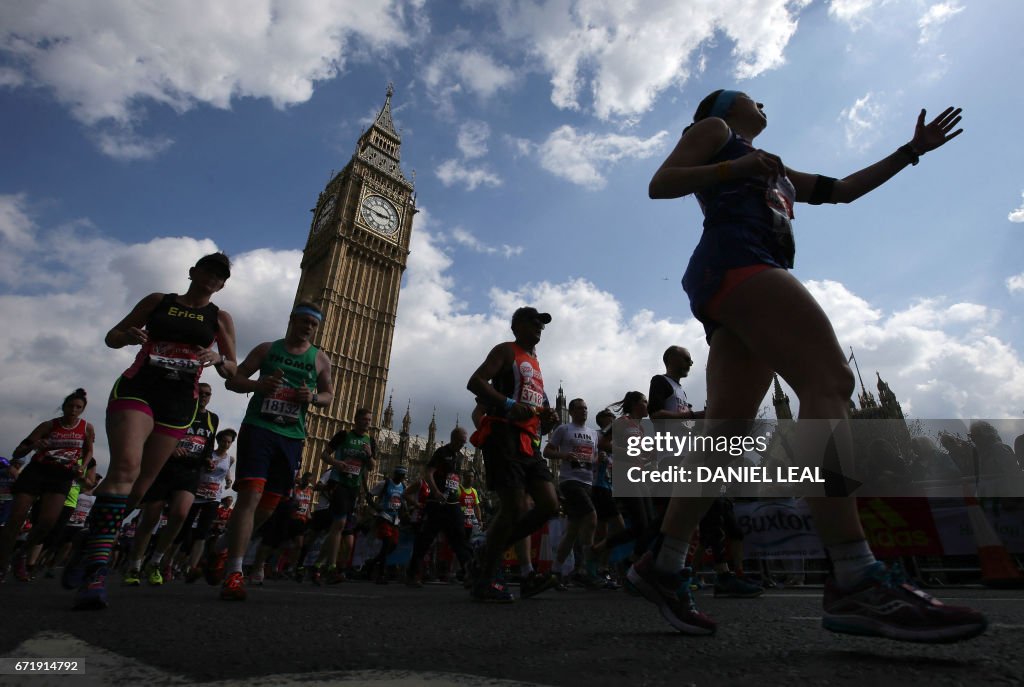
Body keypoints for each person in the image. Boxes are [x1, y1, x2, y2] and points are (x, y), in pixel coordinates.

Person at [628, 88, 984, 641]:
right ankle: (856, 576)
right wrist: (736, 165)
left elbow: (839, 191)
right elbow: (661, 184)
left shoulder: (777, 167)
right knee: (830, 381)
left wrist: (909, 152)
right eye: (751, 94)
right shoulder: (717, 133)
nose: (765, 99)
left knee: (726, 435)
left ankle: (664, 563)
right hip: (739, 262)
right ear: (724, 106)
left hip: (736, 276)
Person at [65, 253, 237, 609]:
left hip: (179, 402)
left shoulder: (219, 318)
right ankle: (97, 570)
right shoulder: (159, 302)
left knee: (140, 488)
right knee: (126, 468)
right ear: (193, 272)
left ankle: (90, 537)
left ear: (223, 284)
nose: (212, 278)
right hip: (138, 388)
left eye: (220, 276)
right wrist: (126, 336)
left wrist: (218, 359)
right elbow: (112, 337)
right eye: (207, 270)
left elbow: (231, 370)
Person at [212, 302, 333, 601]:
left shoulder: (320, 359)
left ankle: (224, 545)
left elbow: (329, 395)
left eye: (313, 324)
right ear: (292, 321)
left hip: (292, 436)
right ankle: (235, 571)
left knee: (267, 507)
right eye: (304, 321)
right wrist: (258, 384)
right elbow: (233, 381)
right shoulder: (267, 349)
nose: (308, 327)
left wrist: (314, 397)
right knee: (251, 495)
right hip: (259, 429)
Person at [467, 306, 561, 602]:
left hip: (529, 441)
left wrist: (546, 417)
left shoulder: (535, 362)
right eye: (534, 322)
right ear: (517, 325)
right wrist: (507, 404)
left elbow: (531, 403)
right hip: (504, 436)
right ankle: (488, 578)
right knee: (514, 508)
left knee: (549, 505)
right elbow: (476, 382)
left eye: (542, 324)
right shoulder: (506, 351)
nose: (539, 327)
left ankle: (487, 549)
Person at [122, 381, 219, 586]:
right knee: (150, 519)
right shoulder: (178, 411)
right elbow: (156, 436)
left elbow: (208, 445)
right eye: (200, 393)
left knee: (180, 514)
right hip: (165, 468)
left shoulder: (212, 419)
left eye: (207, 394)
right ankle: (135, 564)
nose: (204, 396)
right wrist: (171, 448)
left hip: (190, 471)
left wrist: (208, 459)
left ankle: (156, 561)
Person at [0, 389, 95, 583]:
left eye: (79, 407)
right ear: (63, 407)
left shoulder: (86, 428)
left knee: (47, 522)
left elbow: (89, 451)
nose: (74, 410)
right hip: (38, 471)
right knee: (16, 518)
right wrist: (34, 446)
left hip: (61, 476)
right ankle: (2, 564)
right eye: (71, 406)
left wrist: (82, 467)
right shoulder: (49, 425)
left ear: (83, 410)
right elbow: (19, 451)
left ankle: (22, 554)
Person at [544, 398, 602, 588]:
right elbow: (547, 451)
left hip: (587, 482)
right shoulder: (564, 429)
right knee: (592, 517)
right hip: (570, 481)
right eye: (579, 408)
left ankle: (555, 571)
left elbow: (593, 456)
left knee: (572, 531)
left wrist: (596, 458)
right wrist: (564, 455)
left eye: (586, 408)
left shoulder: (593, 433)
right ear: (570, 411)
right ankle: (586, 569)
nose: (584, 411)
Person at [314, 408, 376, 585]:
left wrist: (369, 454)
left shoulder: (370, 441)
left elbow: (372, 467)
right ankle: (332, 568)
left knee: (337, 529)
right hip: (338, 483)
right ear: (356, 419)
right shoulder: (343, 435)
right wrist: (336, 463)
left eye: (369, 420)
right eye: (364, 419)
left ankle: (317, 564)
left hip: (354, 488)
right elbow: (324, 454)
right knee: (339, 524)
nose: (367, 422)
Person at [407, 428, 473, 588]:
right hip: (437, 503)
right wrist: (435, 491)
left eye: (465, 442)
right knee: (426, 539)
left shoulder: (460, 456)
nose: (463, 444)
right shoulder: (441, 452)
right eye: (461, 441)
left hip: (452, 503)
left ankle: (470, 574)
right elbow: (428, 473)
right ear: (453, 438)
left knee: (460, 539)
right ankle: (413, 574)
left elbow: (454, 479)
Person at [182, 428, 236, 582]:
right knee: (185, 531)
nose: (226, 444)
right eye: (224, 441)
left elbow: (226, 471)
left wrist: (228, 480)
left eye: (229, 441)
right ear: (218, 441)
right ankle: (171, 562)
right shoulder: (208, 454)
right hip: (196, 494)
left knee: (202, 533)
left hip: (213, 498)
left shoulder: (230, 459)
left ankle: (192, 567)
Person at [367, 465, 407, 584]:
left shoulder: (403, 487)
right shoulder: (385, 484)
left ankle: (372, 563)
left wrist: (404, 514)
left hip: (395, 519)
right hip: (384, 517)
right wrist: (376, 507)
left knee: (393, 545)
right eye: (400, 475)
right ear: (396, 474)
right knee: (386, 544)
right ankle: (381, 575)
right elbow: (369, 495)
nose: (402, 478)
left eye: (403, 476)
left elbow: (402, 503)